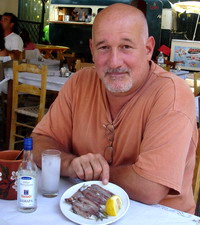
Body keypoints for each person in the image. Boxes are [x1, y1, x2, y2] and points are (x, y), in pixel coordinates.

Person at [32, 3, 198, 214]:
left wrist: (92, 171)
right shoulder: (80, 83)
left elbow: (150, 187)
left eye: (126, 46)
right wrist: (72, 164)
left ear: (148, 49)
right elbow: (39, 143)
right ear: (92, 49)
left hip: (160, 216)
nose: (114, 61)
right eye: (103, 47)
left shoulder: (171, 93)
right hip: (87, 209)